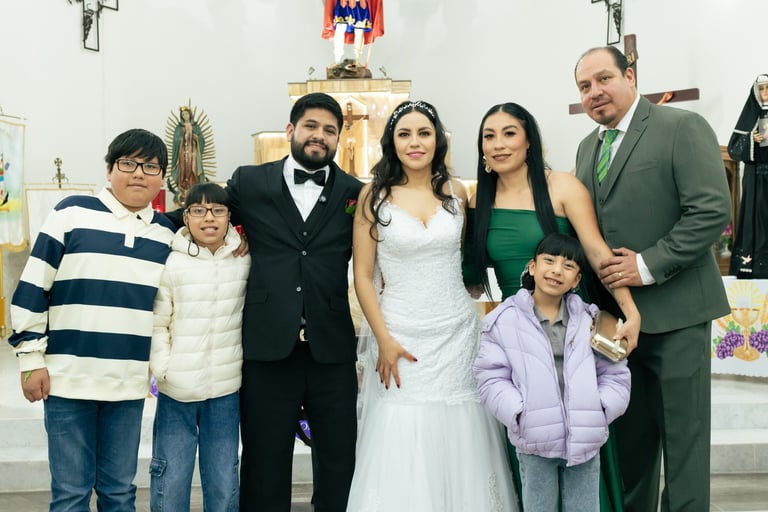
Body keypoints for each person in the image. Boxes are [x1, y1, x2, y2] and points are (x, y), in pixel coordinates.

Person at [574, 46, 731, 511]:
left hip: (678, 312)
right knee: (630, 446)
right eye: (584, 86)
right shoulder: (587, 148)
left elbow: (710, 211)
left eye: (604, 79)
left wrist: (644, 266)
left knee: (684, 444)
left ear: (630, 76)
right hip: (617, 326)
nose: (594, 92)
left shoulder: (680, 127)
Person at [463, 101, 640, 512]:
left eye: (509, 133)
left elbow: (597, 254)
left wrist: (629, 311)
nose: (498, 144)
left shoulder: (562, 187)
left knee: (583, 445)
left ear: (530, 141)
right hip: (518, 332)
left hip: (572, 324)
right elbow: (473, 276)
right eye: (489, 136)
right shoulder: (477, 199)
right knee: (532, 450)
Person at [347, 100, 518, 511]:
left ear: (437, 139)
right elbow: (363, 276)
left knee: (464, 423)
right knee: (404, 424)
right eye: (404, 134)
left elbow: (464, 260)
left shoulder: (457, 191)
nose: (415, 142)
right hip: (400, 332)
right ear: (392, 142)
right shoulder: (374, 196)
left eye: (424, 133)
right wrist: (383, 339)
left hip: (457, 331)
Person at [8, 128, 175, 511]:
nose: (138, 173)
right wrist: (30, 360)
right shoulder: (71, 213)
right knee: (71, 494)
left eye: (150, 166)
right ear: (109, 169)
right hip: (67, 381)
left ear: (162, 177)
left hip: (128, 386)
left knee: (119, 493)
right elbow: (33, 287)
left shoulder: (166, 234)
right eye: (128, 163)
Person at [228, 92, 363, 511]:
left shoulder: (356, 193)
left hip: (332, 347)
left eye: (329, 130)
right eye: (311, 126)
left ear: (339, 138)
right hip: (268, 345)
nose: (319, 136)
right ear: (290, 130)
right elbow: (202, 216)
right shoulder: (250, 182)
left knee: (339, 459)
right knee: (264, 461)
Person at [475, 233, 631, 512]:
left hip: (584, 443)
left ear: (577, 280)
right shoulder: (503, 321)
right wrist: (518, 413)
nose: (557, 270)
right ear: (532, 267)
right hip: (534, 442)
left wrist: (600, 409)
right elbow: (490, 378)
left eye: (568, 266)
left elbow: (615, 374)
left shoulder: (592, 320)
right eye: (549, 261)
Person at [149, 182, 250, 512]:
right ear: (186, 217)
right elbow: (158, 323)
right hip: (177, 391)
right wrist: (164, 370)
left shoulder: (244, 260)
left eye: (218, 210)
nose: (209, 218)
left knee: (223, 480)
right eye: (199, 210)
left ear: (229, 217)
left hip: (225, 391)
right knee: (171, 478)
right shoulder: (172, 263)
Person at [728, 74, 768, 278]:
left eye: (767, 88)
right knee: (756, 218)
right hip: (755, 179)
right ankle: (755, 267)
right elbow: (734, 149)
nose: (765, 92)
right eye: (761, 89)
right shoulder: (750, 114)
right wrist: (751, 138)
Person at [322, 0, 383, 66]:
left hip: (359, 4)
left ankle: (357, 60)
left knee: (359, 30)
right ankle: (337, 60)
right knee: (340, 28)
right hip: (343, 3)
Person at [169, 106, 206, 205]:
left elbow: (201, 139)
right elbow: (175, 140)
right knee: (183, 170)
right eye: (183, 114)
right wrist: (181, 138)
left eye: (187, 114)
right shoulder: (179, 127)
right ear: (181, 116)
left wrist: (196, 137)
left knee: (194, 169)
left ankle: (194, 187)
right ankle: (183, 188)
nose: (185, 116)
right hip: (183, 152)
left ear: (190, 115)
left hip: (193, 152)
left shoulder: (195, 126)